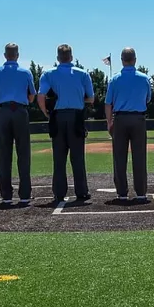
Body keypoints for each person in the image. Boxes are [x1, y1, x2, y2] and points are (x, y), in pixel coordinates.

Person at [38, 44, 94, 205]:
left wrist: (46, 112)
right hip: (76, 116)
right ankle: (81, 192)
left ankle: (59, 193)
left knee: (59, 158)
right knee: (78, 158)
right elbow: (91, 98)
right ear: (71, 57)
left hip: (57, 116)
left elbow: (41, 96)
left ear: (58, 58)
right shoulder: (82, 74)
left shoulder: (48, 74)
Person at [0, 42, 36, 205]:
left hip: (3, 112)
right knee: (24, 153)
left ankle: (6, 195)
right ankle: (25, 194)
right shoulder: (26, 72)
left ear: (5, 55)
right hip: (20, 111)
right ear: (17, 55)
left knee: (4, 155)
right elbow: (32, 96)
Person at [105, 47, 151, 203]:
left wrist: (109, 122)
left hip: (120, 119)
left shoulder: (114, 80)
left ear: (122, 60)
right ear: (135, 60)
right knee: (140, 157)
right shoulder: (144, 78)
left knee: (119, 158)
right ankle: (141, 193)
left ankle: (122, 193)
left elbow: (108, 104)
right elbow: (147, 99)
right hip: (138, 119)